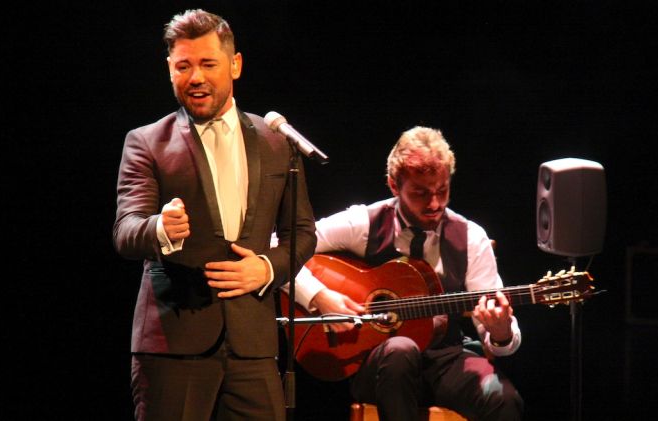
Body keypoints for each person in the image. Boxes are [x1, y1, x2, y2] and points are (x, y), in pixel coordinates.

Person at [113, 9, 316, 421]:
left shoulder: (277, 143)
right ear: (170, 70)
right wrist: (159, 228)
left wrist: (266, 268)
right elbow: (126, 230)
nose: (196, 78)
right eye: (183, 66)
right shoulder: (147, 142)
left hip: (253, 344)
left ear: (235, 65)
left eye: (208, 64)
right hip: (174, 342)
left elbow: (302, 233)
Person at [293, 126, 523, 420]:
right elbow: (281, 250)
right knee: (401, 350)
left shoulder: (470, 238)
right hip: (381, 364)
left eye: (442, 190)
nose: (435, 204)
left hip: (447, 358)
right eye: (420, 193)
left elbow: (499, 340)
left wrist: (501, 331)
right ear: (393, 186)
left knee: (504, 400)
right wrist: (319, 296)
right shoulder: (362, 224)